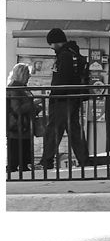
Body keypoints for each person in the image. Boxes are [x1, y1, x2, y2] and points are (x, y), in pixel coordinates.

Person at [39, 29, 90, 169]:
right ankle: (84, 159)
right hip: (74, 96)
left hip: (62, 98)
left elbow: (61, 79)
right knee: (74, 129)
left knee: (54, 129)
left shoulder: (64, 56)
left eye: (51, 44)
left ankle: (46, 161)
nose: (51, 47)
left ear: (57, 42)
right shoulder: (75, 54)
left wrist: (54, 95)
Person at [7, 63, 42, 173]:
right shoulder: (15, 88)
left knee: (25, 158)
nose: (29, 76)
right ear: (21, 74)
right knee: (15, 158)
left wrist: (37, 108)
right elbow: (17, 109)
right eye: (27, 73)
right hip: (18, 127)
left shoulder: (24, 88)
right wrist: (34, 104)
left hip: (25, 127)